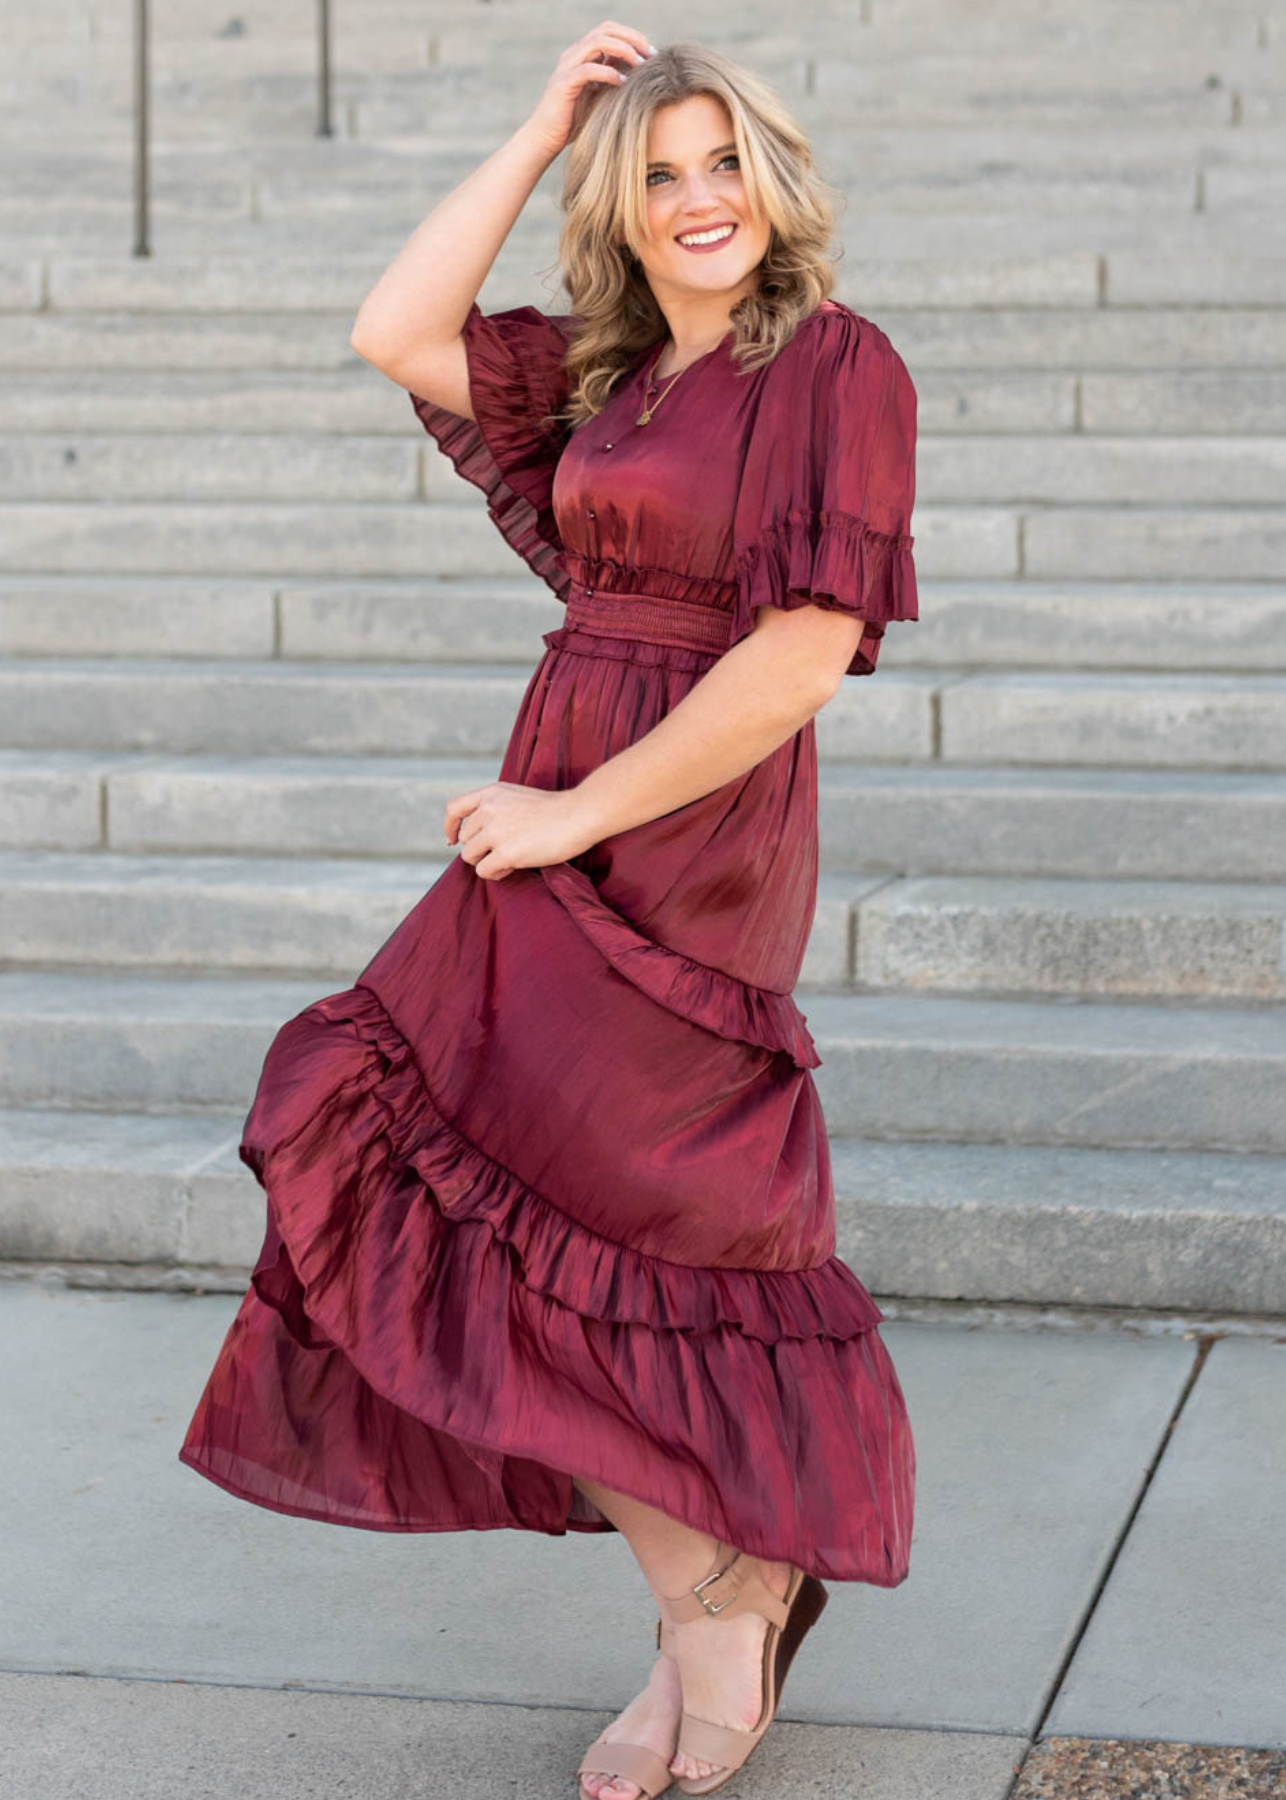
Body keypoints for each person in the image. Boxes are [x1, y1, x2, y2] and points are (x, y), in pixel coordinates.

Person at [178, 26, 920, 1800]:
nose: (695, 200)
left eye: (721, 162)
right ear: (625, 205)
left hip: (678, 824)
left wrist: (580, 810)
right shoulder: (600, 374)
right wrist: (536, 128)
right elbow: (392, 327)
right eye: (658, 173)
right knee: (472, 1206)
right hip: (556, 801)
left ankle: (717, 1608)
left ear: (774, 178)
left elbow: (806, 654)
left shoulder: (834, 364)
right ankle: (712, 1605)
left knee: (617, 1225)